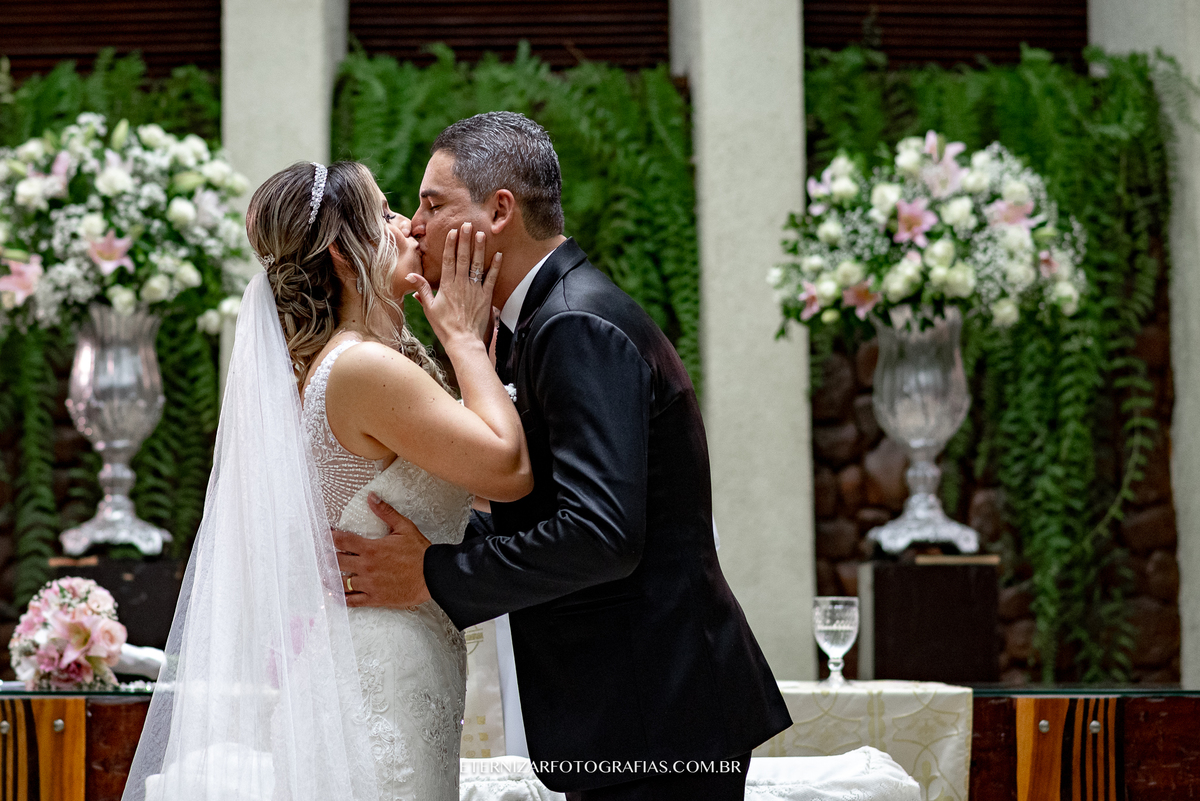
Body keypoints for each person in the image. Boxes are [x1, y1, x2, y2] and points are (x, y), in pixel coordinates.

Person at [334, 111, 792, 800]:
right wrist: (432, 537)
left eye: (433, 203)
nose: (417, 226)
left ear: (499, 210)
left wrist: (435, 572)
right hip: (637, 709)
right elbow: (550, 502)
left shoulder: (573, 322)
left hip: (656, 713)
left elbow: (601, 533)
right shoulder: (537, 322)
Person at [123, 160, 527, 801]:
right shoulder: (363, 368)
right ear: (344, 253)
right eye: (387, 211)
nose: (406, 226)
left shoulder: (368, 359)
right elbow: (508, 473)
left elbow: (466, 484)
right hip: (375, 679)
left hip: (391, 657)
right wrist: (463, 339)